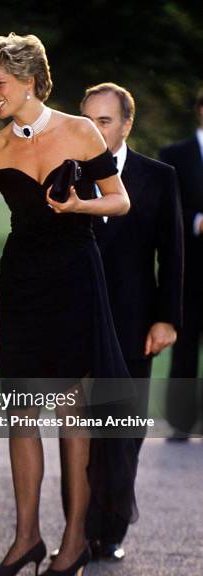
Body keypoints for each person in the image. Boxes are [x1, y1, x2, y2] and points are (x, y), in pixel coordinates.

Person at [0, 33, 137, 576]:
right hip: (21, 286)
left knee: (72, 416)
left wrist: (80, 205)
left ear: (28, 80)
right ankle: (26, 538)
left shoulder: (79, 130)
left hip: (75, 280)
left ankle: (72, 543)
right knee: (21, 414)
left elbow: (120, 200)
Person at [79, 82, 184, 560]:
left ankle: (112, 529)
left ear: (126, 124)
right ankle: (78, 527)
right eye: (88, 119)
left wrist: (166, 319)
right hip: (76, 319)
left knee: (122, 429)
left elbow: (174, 255)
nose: (95, 130)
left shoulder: (158, 177)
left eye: (105, 120)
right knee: (79, 427)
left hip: (133, 322)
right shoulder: (66, 172)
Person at [159, 89, 203, 439]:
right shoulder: (174, 156)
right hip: (189, 270)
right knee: (185, 349)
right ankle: (180, 423)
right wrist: (197, 221)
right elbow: (167, 212)